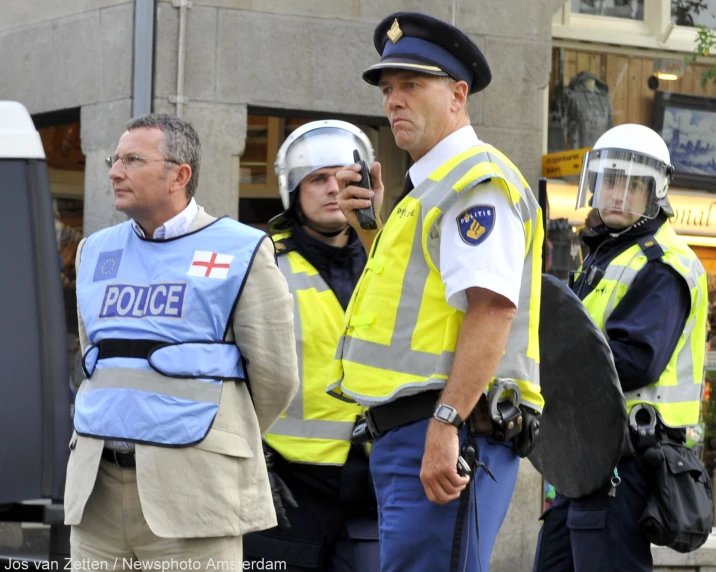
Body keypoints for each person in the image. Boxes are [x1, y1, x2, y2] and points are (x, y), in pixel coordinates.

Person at [328, 12, 544, 571]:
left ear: (458, 94)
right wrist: (370, 226)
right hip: (416, 433)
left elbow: (492, 311)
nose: (393, 100)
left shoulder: (475, 182)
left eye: (411, 85)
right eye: (388, 89)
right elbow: (423, 309)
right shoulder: (428, 188)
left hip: (447, 430)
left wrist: (446, 424)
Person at [65, 113, 300, 569]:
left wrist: (216, 438)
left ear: (180, 175)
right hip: (95, 494)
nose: (114, 171)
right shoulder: (94, 251)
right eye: (115, 159)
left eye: (133, 160)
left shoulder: (241, 249)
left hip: (194, 494)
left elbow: (275, 377)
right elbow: (98, 359)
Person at [532, 124, 708, 572]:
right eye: (610, 180)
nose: (617, 193)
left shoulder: (663, 263)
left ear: (655, 193)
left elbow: (633, 360)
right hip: (585, 450)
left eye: (632, 185)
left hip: (626, 455)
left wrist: (546, 371)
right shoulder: (604, 255)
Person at [243, 120, 379, 571]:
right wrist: (251, 458)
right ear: (293, 192)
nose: (331, 189)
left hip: (373, 480)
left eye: (343, 178)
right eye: (317, 179)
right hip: (286, 483)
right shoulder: (262, 263)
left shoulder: (389, 262)